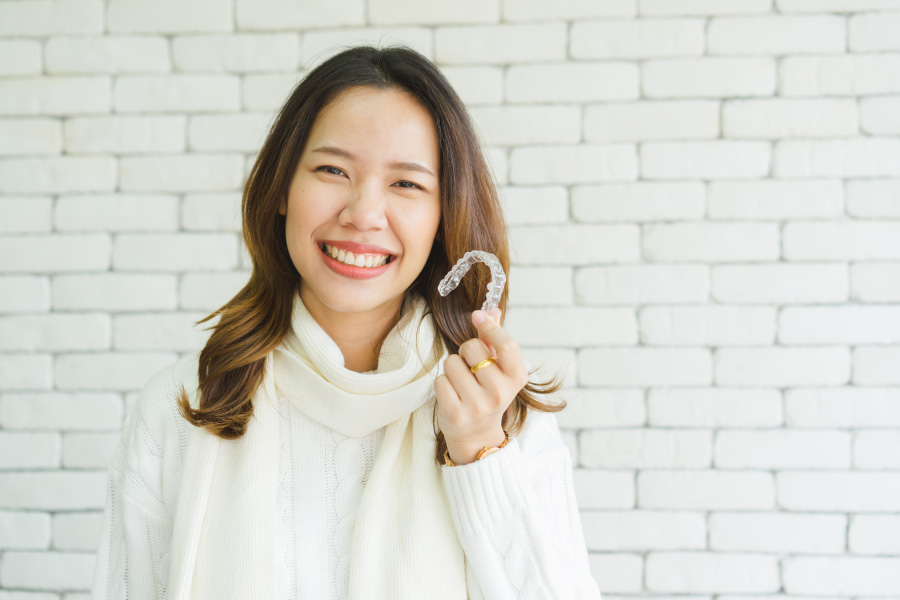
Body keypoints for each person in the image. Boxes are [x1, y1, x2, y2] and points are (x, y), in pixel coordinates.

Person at [91, 44, 602, 600]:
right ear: (282, 189)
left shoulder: (503, 417)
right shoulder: (181, 409)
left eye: (406, 183)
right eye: (333, 170)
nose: (362, 213)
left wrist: (479, 452)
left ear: (441, 217)